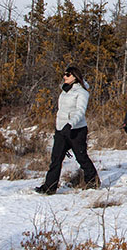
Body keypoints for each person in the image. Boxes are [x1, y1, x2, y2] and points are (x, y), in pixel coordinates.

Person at [35, 66, 100, 194]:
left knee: (81, 157)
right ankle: (49, 187)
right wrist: (60, 125)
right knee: (56, 158)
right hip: (61, 129)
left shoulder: (82, 93)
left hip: (76, 130)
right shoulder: (64, 91)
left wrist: (70, 124)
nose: (64, 77)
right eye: (64, 74)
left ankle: (93, 181)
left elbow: (80, 111)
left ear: (75, 77)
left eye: (68, 75)